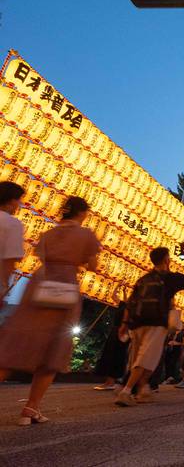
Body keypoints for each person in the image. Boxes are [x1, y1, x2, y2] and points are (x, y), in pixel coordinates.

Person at [0, 196, 101, 425]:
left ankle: (27, 404)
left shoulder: (49, 233)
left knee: (19, 340)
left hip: (39, 283)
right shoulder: (87, 235)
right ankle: (31, 408)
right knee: (54, 347)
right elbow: (93, 265)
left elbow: (39, 256)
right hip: (64, 286)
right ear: (82, 212)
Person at [116, 246, 184, 406]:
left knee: (140, 358)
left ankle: (142, 390)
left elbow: (131, 303)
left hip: (136, 323)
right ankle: (126, 391)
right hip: (156, 323)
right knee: (146, 359)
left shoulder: (143, 279)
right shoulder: (169, 278)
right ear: (166, 259)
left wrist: (124, 324)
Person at [93, 301, 130, 390]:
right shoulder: (122, 304)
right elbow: (114, 296)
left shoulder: (130, 306)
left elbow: (127, 319)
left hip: (122, 330)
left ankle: (111, 382)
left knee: (115, 355)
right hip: (115, 330)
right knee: (110, 354)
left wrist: (123, 328)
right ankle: (108, 382)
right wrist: (118, 287)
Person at [0, 182, 25, 311]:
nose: (20, 205)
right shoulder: (12, 224)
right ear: (11, 200)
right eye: (19, 200)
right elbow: (9, 260)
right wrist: (3, 287)